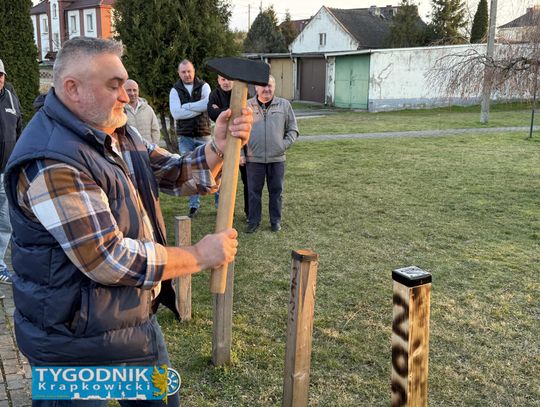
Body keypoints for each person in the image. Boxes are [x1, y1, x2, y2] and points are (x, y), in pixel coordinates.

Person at [4, 37, 252, 406]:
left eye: (125, 83)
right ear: (72, 88)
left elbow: (172, 171)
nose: (126, 96)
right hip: (71, 349)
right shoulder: (51, 160)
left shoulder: (116, 130)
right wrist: (199, 255)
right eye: (114, 85)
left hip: (133, 327)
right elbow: (108, 259)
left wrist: (217, 146)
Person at [245, 75, 299, 233]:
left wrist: (283, 145)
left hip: (277, 158)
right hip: (253, 158)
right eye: (263, 85)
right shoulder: (247, 106)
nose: (266, 89)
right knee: (253, 192)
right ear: (256, 87)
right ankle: (253, 221)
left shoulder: (284, 105)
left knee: (276, 191)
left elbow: (293, 129)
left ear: (274, 87)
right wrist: (242, 153)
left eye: (269, 85)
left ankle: (275, 221)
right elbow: (238, 132)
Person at [169, 59, 211, 218]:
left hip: (203, 134)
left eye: (189, 71)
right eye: (183, 72)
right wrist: (198, 107)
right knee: (190, 172)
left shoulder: (204, 86)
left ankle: (219, 204)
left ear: (194, 71)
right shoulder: (175, 90)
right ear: (179, 73)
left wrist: (186, 106)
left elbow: (207, 105)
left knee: (213, 169)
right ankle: (194, 206)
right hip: (185, 138)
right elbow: (176, 113)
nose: (187, 74)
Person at [207, 75, 249, 218]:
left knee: (247, 179)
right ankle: (224, 211)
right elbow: (212, 113)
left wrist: (222, 110)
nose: (226, 82)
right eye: (223, 79)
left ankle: (249, 212)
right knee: (224, 179)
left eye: (229, 79)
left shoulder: (242, 91)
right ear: (218, 80)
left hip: (243, 142)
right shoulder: (215, 94)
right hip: (224, 142)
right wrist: (234, 110)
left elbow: (246, 112)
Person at [0, 59, 22, 285]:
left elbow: (18, 129)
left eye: (0, 75)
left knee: (5, 222)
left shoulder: (11, 98)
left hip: (5, 172)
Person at [124, 79, 161, 144]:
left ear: (138, 91)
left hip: (148, 148)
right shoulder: (119, 110)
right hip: (129, 149)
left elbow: (155, 130)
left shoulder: (148, 109)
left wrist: (153, 146)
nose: (132, 93)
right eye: (129, 90)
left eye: (134, 90)